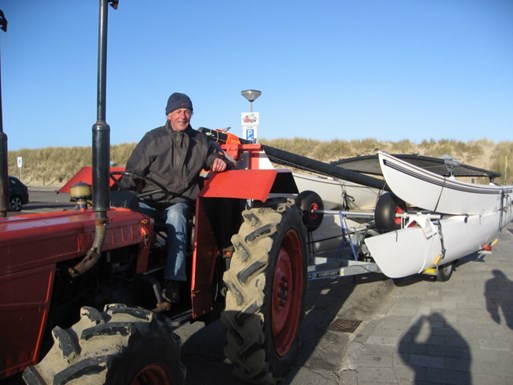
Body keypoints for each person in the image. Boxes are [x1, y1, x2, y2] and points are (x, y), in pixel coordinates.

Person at [123, 92, 227, 306]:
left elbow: (212, 155)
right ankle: (130, 277)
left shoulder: (200, 141)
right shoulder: (153, 138)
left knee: (177, 218)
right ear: (169, 114)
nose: (183, 116)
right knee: (129, 222)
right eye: (178, 111)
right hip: (149, 199)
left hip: (178, 201)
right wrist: (126, 194)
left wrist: (218, 160)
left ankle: (173, 281)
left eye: (187, 111)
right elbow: (133, 171)